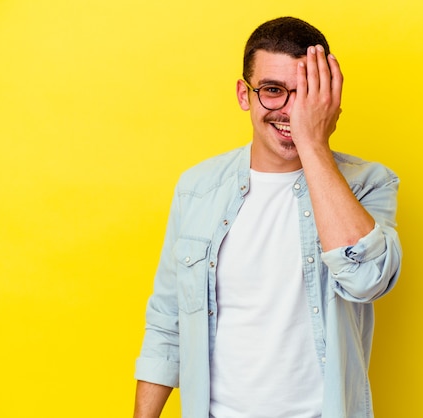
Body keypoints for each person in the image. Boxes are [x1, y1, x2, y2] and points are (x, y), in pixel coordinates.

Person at [133, 16, 402, 418]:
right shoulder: (197, 189)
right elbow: (167, 323)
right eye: (273, 91)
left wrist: (312, 143)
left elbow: (366, 280)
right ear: (245, 94)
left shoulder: (368, 184)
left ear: (327, 98)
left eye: (306, 93)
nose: (291, 111)